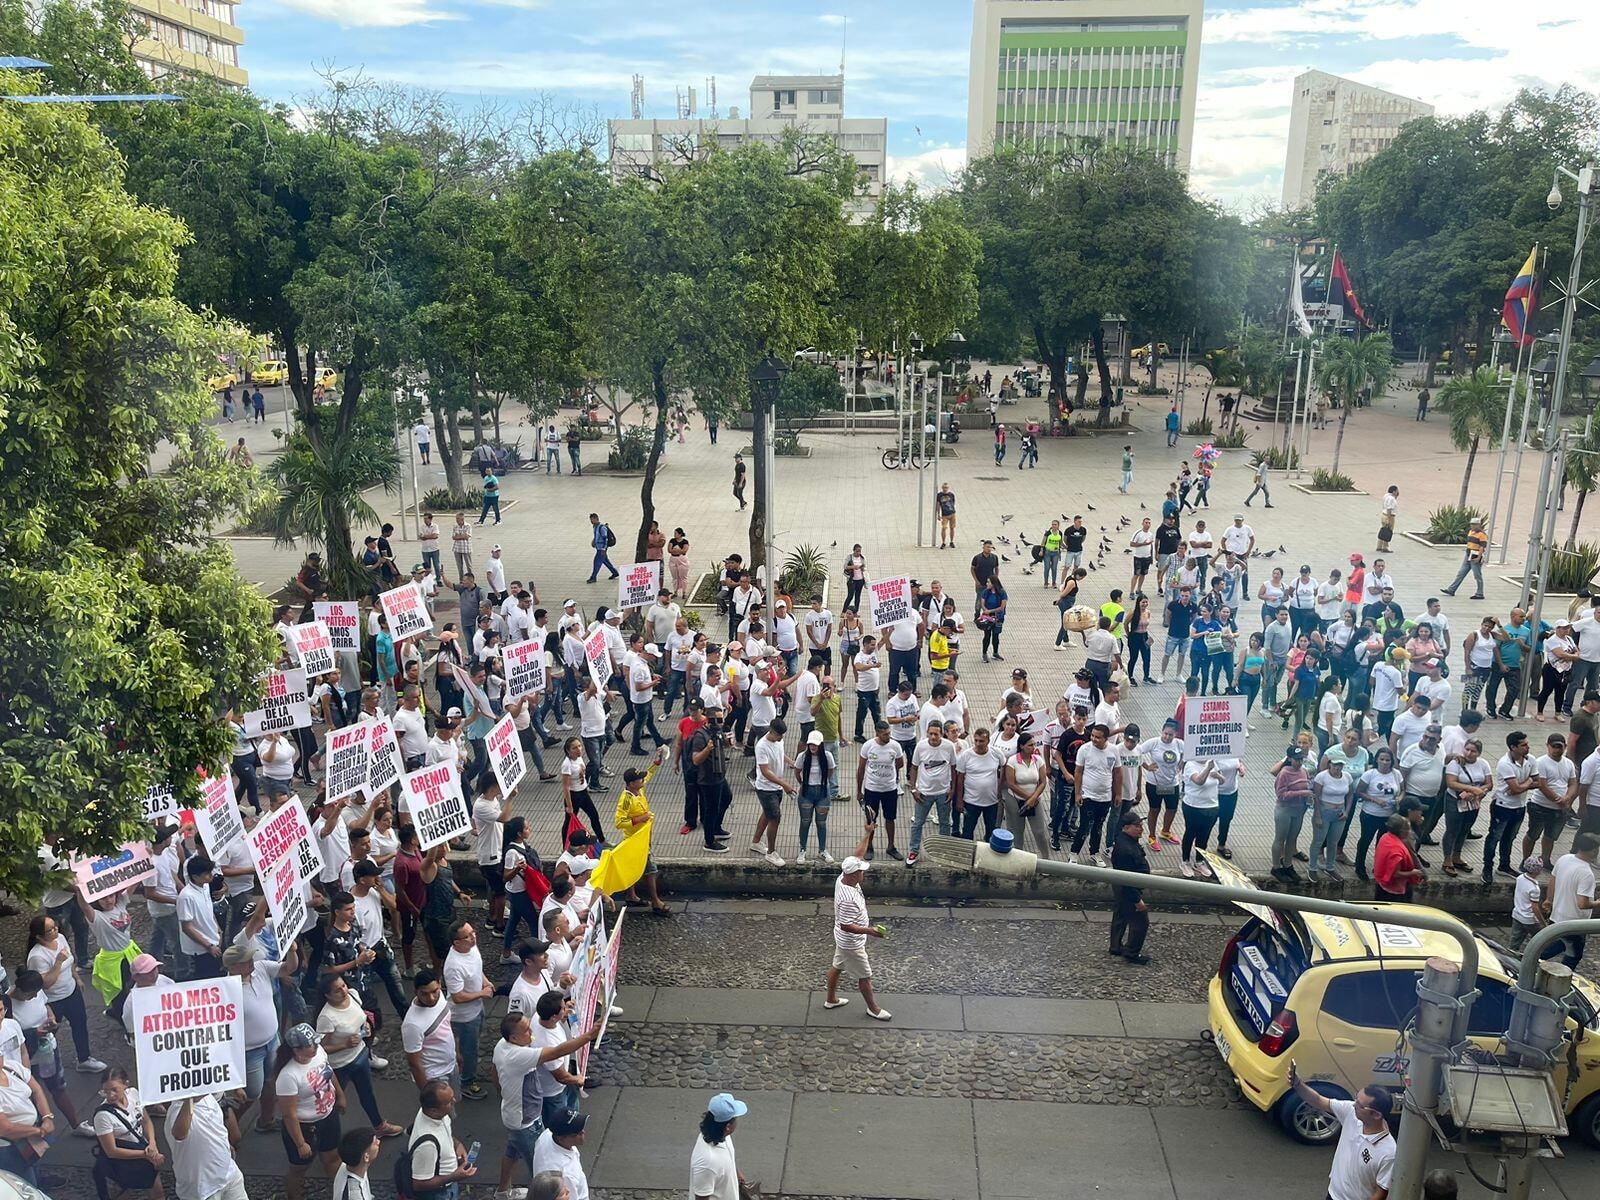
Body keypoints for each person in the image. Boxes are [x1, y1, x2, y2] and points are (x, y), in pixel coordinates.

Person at [492, 1012, 599, 1199]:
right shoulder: (518, 1055)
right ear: (513, 1037)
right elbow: (557, 1052)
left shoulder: (502, 1046)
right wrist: (588, 1036)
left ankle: (502, 1191)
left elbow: (493, 1072)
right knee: (542, 1175)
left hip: (514, 1115)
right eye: (526, 1030)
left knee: (512, 1150)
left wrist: (505, 1094)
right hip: (525, 1121)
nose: (531, 1032)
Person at [315, 976, 403, 1138]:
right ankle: (325, 1137)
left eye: (343, 986)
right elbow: (321, 1048)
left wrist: (366, 1026)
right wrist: (344, 1045)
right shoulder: (326, 1017)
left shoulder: (353, 995)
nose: (344, 991)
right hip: (339, 1066)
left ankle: (379, 1125)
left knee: (367, 1093)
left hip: (360, 1056)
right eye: (337, 990)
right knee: (332, 1103)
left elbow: (361, 1016)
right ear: (327, 996)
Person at [1289, 1067, 1395, 1200]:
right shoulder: (1350, 1112)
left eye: (1360, 1105)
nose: (1354, 1105)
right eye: (1356, 1099)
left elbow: (1381, 1192)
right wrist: (1298, 1084)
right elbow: (1318, 1100)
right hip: (1332, 1194)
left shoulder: (1388, 1152)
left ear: (1376, 1114)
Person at [823, 829, 891, 1019]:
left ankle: (831, 999)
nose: (863, 874)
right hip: (851, 943)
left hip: (843, 939)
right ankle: (873, 1009)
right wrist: (871, 931)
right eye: (861, 872)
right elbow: (846, 925)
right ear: (853, 875)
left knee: (837, 966)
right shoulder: (848, 899)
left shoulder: (843, 877)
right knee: (865, 976)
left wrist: (868, 833)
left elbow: (857, 854)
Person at [276, 1023, 345, 1200]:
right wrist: (300, 1143)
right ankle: (294, 1195)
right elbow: (289, 1114)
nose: (315, 1047)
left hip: (328, 1117)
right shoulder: (288, 1076)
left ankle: (341, 1193)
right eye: (310, 1045)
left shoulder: (319, 1052)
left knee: (332, 1157)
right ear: (296, 1050)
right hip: (306, 1127)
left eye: (315, 1043)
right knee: (299, 1168)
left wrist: (340, 1094)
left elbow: (329, 1072)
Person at [164, 1093, 246, 1200]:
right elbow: (180, 1133)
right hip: (203, 1190)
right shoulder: (176, 1110)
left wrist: (225, 1145)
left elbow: (214, 1126)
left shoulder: (209, 1099)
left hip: (229, 1175)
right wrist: (191, 1098)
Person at [407, 1080, 477, 1200]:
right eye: (449, 1102)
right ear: (434, 1110)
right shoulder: (427, 1146)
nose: (454, 1101)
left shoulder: (436, 1114)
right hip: (438, 1193)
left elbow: (444, 1133)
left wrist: (457, 1145)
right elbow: (419, 1184)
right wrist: (454, 1176)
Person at [1540, 834, 1599, 967]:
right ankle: (1563, 977)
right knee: (1574, 955)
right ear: (1594, 850)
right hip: (1575, 923)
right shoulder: (1586, 873)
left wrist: (1549, 900)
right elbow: (1582, 903)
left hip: (1557, 916)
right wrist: (1598, 903)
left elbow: (1553, 880)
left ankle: (1532, 958)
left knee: (1559, 943)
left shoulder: (1564, 859)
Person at [1109, 809, 1151, 964]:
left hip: (1122, 887)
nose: (1141, 828)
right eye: (1137, 826)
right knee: (1140, 922)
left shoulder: (1125, 841)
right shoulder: (1125, 849)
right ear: (1126, 827)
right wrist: (1137, 900)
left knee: (1120, 915)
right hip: (1129, 889)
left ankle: (1115, 946)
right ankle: (1132, 953)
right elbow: (1127, 880)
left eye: (1141, 825)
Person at [690, 1093, 749, 1200]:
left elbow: (727, 1154)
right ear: (728, 1127)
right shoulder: (707, 1162)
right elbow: (701, 1197)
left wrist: (736, 1172)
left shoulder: (717, 1132)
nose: (737, 1121)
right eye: (735, 1118)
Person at [1440, 517, 1488, 600]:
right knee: (1461, 573)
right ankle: (1451, 589)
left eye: (1474, 524)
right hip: (1468, 554)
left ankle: (1480, 593)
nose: (1472, 526)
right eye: (1471, 524)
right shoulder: (1470, 532)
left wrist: (1479, 557)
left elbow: (1482, 546)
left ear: (1479, 525)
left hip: (1475, 555)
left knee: (1477, 575)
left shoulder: (1482, 534)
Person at [584, 513, 618, 582]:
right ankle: (615, 573)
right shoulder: (595, 527)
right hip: (598, 548)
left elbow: (605, 539)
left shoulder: (602, 528)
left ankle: (593, 577)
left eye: (592, 520)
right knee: (605, 561)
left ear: (596, 519)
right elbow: (597, 536)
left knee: (596, 562)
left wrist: (603, 549)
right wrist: (594, 542)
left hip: (601, 549)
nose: (591, 522)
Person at [934, 482, 957, 548]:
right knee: (944, 528)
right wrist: (938, 514)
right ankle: (943, 542)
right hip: (944, 515)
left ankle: (951, 541)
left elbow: (953, 503)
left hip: (952, 513)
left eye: (946, 488)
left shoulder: (951, 494)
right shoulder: (939, 495)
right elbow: (938, 505)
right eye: (944, 488)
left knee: (952, 528)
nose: (945, 489)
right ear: (942, 488)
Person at [1377, 484, 1399, 553]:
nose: (1398, 492)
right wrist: (1389, 519)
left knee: (1383, 530)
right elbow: (1389, 509)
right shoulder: (1391, 499)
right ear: (1394, 491)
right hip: (1389, 516)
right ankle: (1385, 547)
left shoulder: (1386, 496)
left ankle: (1379, 546)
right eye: (1397, 491)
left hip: (1384, 515)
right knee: (1388, 531)